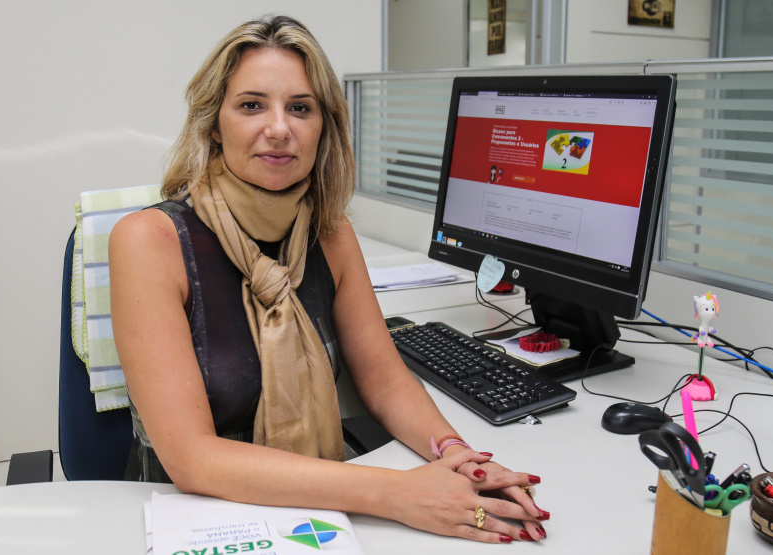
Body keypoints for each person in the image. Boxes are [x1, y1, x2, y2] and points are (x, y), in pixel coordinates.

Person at [109, 15, 548, 544]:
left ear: (324, 126)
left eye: (300, 107)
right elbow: (193, 459)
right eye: (252, 105)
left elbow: (384, 379)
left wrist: (456, 458)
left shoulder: (330, 233)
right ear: (213, 124)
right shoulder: (149, 242)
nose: (279, 128)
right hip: (197, 514)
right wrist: (398, 493)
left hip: (314, 507)